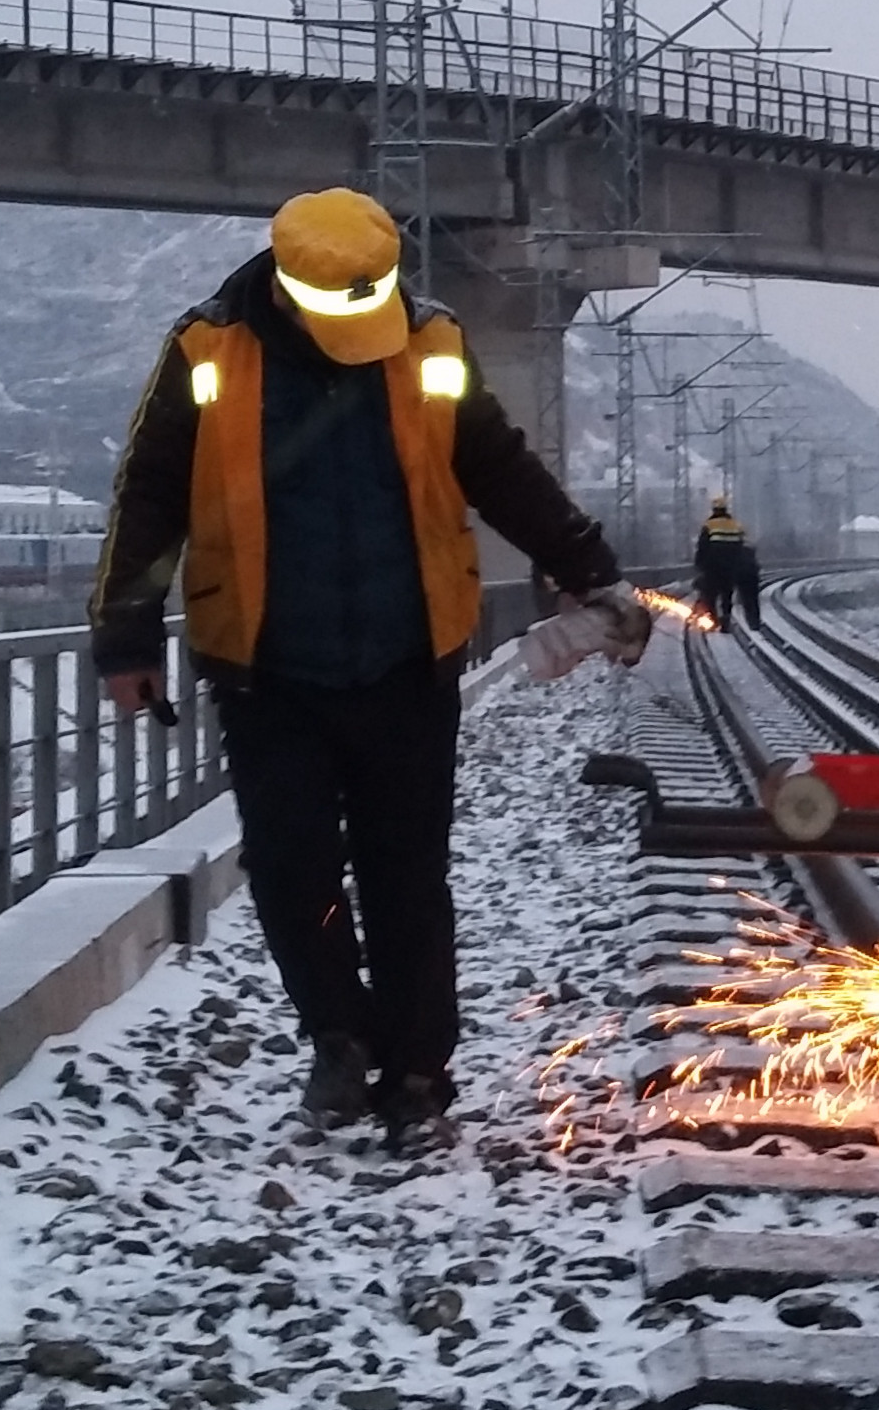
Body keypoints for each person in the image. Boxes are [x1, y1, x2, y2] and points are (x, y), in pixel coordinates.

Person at [91, 188, 650, 1145]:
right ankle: (338, 1036)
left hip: (407, 659)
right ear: (287, 285)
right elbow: (149, 495)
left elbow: (499, 465)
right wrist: (127, 640)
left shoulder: (430, 341)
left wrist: (586, 568)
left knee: (407, 874)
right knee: (289, 866)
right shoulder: (206, 351)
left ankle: (420, 1072)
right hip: (266, 669)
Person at [694, 497, 761, 631]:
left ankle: (712, 621)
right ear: (726, 509)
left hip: (713, 567)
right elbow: (745, 546)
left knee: (710, 594)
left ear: (714, 510)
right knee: (727, 593)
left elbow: (702, 547)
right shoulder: (736, 525)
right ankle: (726, 618)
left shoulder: (709, 525)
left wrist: (699, 565)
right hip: (733, 566)